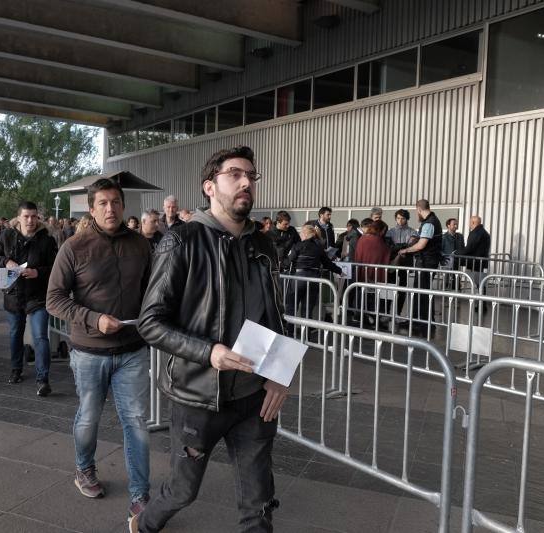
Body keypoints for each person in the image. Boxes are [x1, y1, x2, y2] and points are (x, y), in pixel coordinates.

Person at [134, 146, 287, 533]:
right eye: (235, 173)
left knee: (258, 504)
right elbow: (150, 323)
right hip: (197, 397)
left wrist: (282, 372)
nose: (246, 182)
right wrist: (210, 352)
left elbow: (274, 316)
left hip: (254, 395)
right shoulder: (181, 241)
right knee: (184, 490)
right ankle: (144, 524)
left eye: (251, 175)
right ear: (209, 186)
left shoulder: (263, 244)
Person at [46, 178, 152, 516]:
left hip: (132, 351)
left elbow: (153, 291)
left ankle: (141, 495)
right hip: (89, 352)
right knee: (89, 417)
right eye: (103, 203)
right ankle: (84, 467)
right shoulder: (74, 247)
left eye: (116, 202)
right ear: (91, 209)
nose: (111, 208)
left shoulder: (140, 244)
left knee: (135, 421)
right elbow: (53, 300)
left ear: (123, 206)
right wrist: (93, 318)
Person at [0, 201, 57, 394]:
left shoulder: (47, 240)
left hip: (38, 296)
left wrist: (38, 272)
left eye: (34, 216)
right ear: (18, 218)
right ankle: (16, 368)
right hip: (13, 294)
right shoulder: (6, 236)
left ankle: (43, 379)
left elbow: (56, 269)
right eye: (26, 216)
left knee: (41, 336)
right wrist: (6, 261)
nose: (30, 220)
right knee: (15, 334)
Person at [397, 199, 443, 335]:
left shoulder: (429, 223)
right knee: (420, 291)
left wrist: (405, 250)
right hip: (428, 261)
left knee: (422, 292)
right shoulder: (432, 221)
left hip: (426, 262)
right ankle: (417, 320)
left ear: (418, 209)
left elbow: (422, 245)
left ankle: (423, 323)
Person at [285, 224, 342, 330]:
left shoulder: (298, 245)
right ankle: (305, 334)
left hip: (299, 278)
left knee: (292, 306)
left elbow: (288, 262)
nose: (300, 234)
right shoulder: (318, 248)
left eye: (301, 232)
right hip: (314, 278)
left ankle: (290, 331)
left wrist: (280, 263)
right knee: (307, 309)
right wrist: (340, 271)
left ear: (306, 234)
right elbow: (327, 263)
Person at [354, 220, 391, 328]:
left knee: (362, 296)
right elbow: (385, 254)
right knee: (372, 298)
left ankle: (362, 316)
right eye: (384, 230)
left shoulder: (362, 238)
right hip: (374, 275)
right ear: (380, 229)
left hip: (362, 272)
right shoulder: (378, 241)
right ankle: (373, 317)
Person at [386, 209, 417, 316]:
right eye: (398, 218)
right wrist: (402, 247)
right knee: (390, 287)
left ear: (407, 219)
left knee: (402, 289)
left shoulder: (413, 231)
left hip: (405, 262)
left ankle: (398, 313)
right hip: (393, 262)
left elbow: (412, 246)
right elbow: (389, 247)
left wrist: (402, 248)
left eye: (403, 218)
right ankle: (387, 312)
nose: (400, 220)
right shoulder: (390, 231)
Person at [457, 215, 491, 291]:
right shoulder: (484, 232)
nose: (469, 225)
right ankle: (481, 300)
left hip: (475, 263)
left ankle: (481, 301)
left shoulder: (476, 233)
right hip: (480, 262)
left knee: (478, 283)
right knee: (480, 283)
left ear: (473, 222)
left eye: (469, 223)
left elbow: (469, 248)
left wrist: (457, 253)